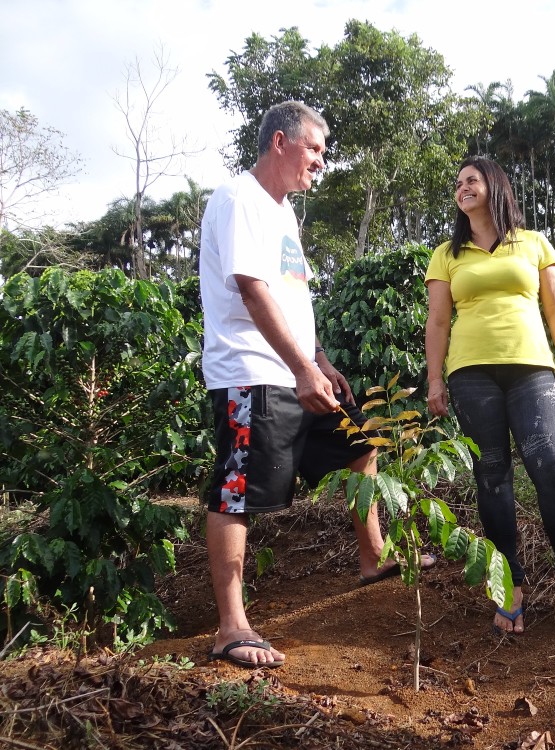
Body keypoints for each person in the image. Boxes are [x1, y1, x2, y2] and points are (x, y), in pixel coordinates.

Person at [199, 100, 433, 669]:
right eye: (315, 150)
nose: (321, 164)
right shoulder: (238, 200)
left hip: (296, 371)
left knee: (360, 444)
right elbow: (252, 292)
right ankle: (231, 627)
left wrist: (320, 359)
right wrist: (301, 368)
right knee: (237, 492)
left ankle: (373, 555)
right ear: (280, 142)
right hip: (250, 376)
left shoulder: (284, 214)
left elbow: (291, 299)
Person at [424, 155, 555, 635]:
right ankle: (511, 585)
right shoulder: (448, 253)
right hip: (470, 374)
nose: (462, 187)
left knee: (550, 467)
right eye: (457, 183)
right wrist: (435, 379)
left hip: (532, 369)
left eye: (471, 179)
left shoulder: (533, 242)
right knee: (492, 475)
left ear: (494, 185)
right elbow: (439, 321)